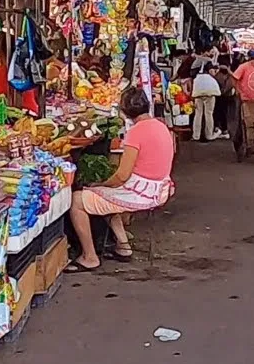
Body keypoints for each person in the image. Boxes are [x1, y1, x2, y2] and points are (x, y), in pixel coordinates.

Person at [66, 88, 175, 272]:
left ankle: (90, 257)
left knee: (77, 200)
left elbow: (121, 176)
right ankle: (123, 246)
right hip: (159, 188)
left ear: (124, 111)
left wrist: (100, 184)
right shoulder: (161, 126)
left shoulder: (136, 132)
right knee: (105, 196)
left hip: (140, 192)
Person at [191, 62, 221, 142]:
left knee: (198, 114)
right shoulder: (211, 78)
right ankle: (209, 135)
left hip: (198, 94)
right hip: (210, 95)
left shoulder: (197, 76)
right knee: (209, 114)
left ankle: (196, 136)